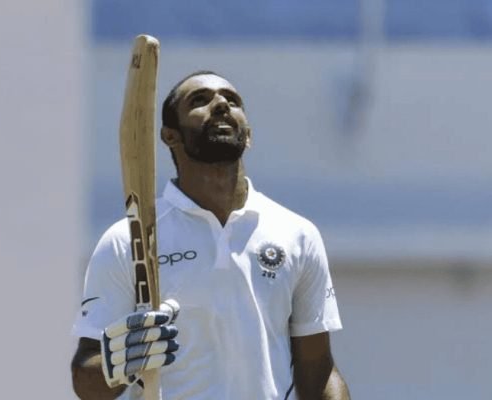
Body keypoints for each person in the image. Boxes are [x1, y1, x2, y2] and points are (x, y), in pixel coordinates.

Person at [71, 71, 350, 400]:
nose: (221, 104)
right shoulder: (127, 240)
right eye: (199, 100)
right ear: (170, 136)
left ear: (248, 135)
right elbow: (85, 382)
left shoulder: (297, 234)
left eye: (232, 100)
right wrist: (121, 360)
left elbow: (317, 369)